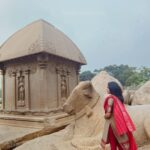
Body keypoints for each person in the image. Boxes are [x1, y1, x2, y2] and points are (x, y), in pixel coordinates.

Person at [100, 81, 137, 150]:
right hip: (120, 125)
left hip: (112, 125)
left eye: (108, 87)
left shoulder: (110, 99)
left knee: (113, 144)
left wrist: (104, 116)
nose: (107, 89)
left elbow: (108, 114)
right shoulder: (118, 98)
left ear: (111, 89)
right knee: (121, 144)